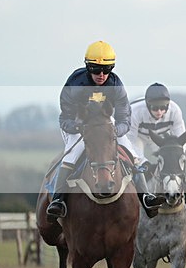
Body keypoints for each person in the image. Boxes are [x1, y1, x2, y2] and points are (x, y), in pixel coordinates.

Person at [46, 41, 165, 219]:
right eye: (95, 70)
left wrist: (116, 131)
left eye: (107, 69)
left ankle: (146, 197)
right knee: (73, 154)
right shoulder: (75, 84)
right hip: (78, 124)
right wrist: (78, 127)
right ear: (88, 67)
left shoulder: (116, 85)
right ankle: (58, 200)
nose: (101, 74)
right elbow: (66, 118)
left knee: (134, 155)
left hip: (106, 124)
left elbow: (124, 117)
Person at [127, 83, 186, 217]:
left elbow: (180, 139)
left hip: (161, 137)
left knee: (176, 165)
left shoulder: (175, 110)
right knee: (137, 166)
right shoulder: (135, 111)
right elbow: (130, 141)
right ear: (148, 105)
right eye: (155, 108)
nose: (159, 112)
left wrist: (176, 155)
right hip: (138, 137)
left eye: (163, 108)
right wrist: (143, 161)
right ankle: (144, 199)